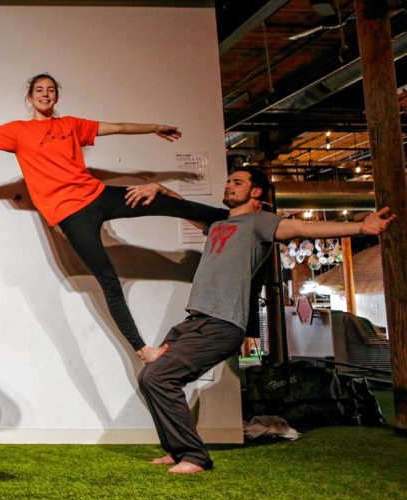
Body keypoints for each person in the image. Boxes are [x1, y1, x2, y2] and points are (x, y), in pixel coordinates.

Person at [0, 72, 227, 363]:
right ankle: (143, 350)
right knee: (109, 282)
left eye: (50, 90)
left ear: (55, 97)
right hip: (72, 216)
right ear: (30, 97)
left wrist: (152, 127)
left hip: (98, 196)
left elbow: (116, 128)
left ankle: (223, 220)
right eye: (39, 90)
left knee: (158, 197)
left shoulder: (71, 125)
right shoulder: (18, 132)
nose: (45, 95)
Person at [126, 167, 395, 473]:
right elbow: (185, 206)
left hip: (222, 322)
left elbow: (303, 230)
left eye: (237, 182)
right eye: (228, 181)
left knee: (161, 377)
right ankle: (177, 450)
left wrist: (359, 228)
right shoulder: (218, 223)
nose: (229, 186)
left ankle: (195, 457)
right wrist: (162, 190)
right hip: (194, 321)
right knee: (151, 377)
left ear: (255, 193)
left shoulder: (259, 222)